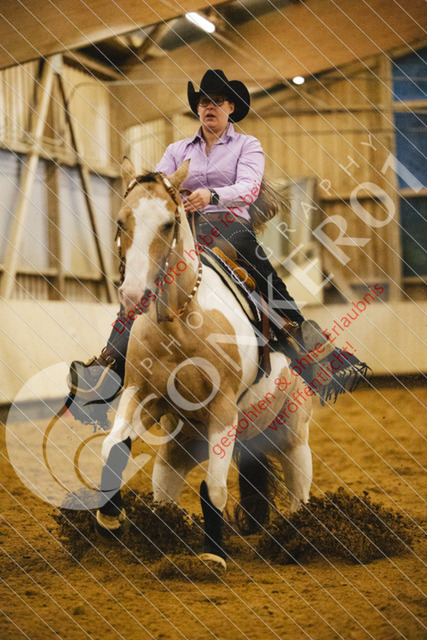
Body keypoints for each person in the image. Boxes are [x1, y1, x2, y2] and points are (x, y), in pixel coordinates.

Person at [67, 70, 332, 425]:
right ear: (198, 108)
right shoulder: (176, 151)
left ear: (231, 107)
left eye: (217, 101)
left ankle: (302, 343)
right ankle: (109, 363)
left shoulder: (247, 146)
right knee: (140, 286)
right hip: (185, 232)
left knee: (265, 279)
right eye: (204, 101)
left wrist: (213, 195)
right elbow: (157, 187)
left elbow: (250, 188)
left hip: (231, 229)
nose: (210, 107)